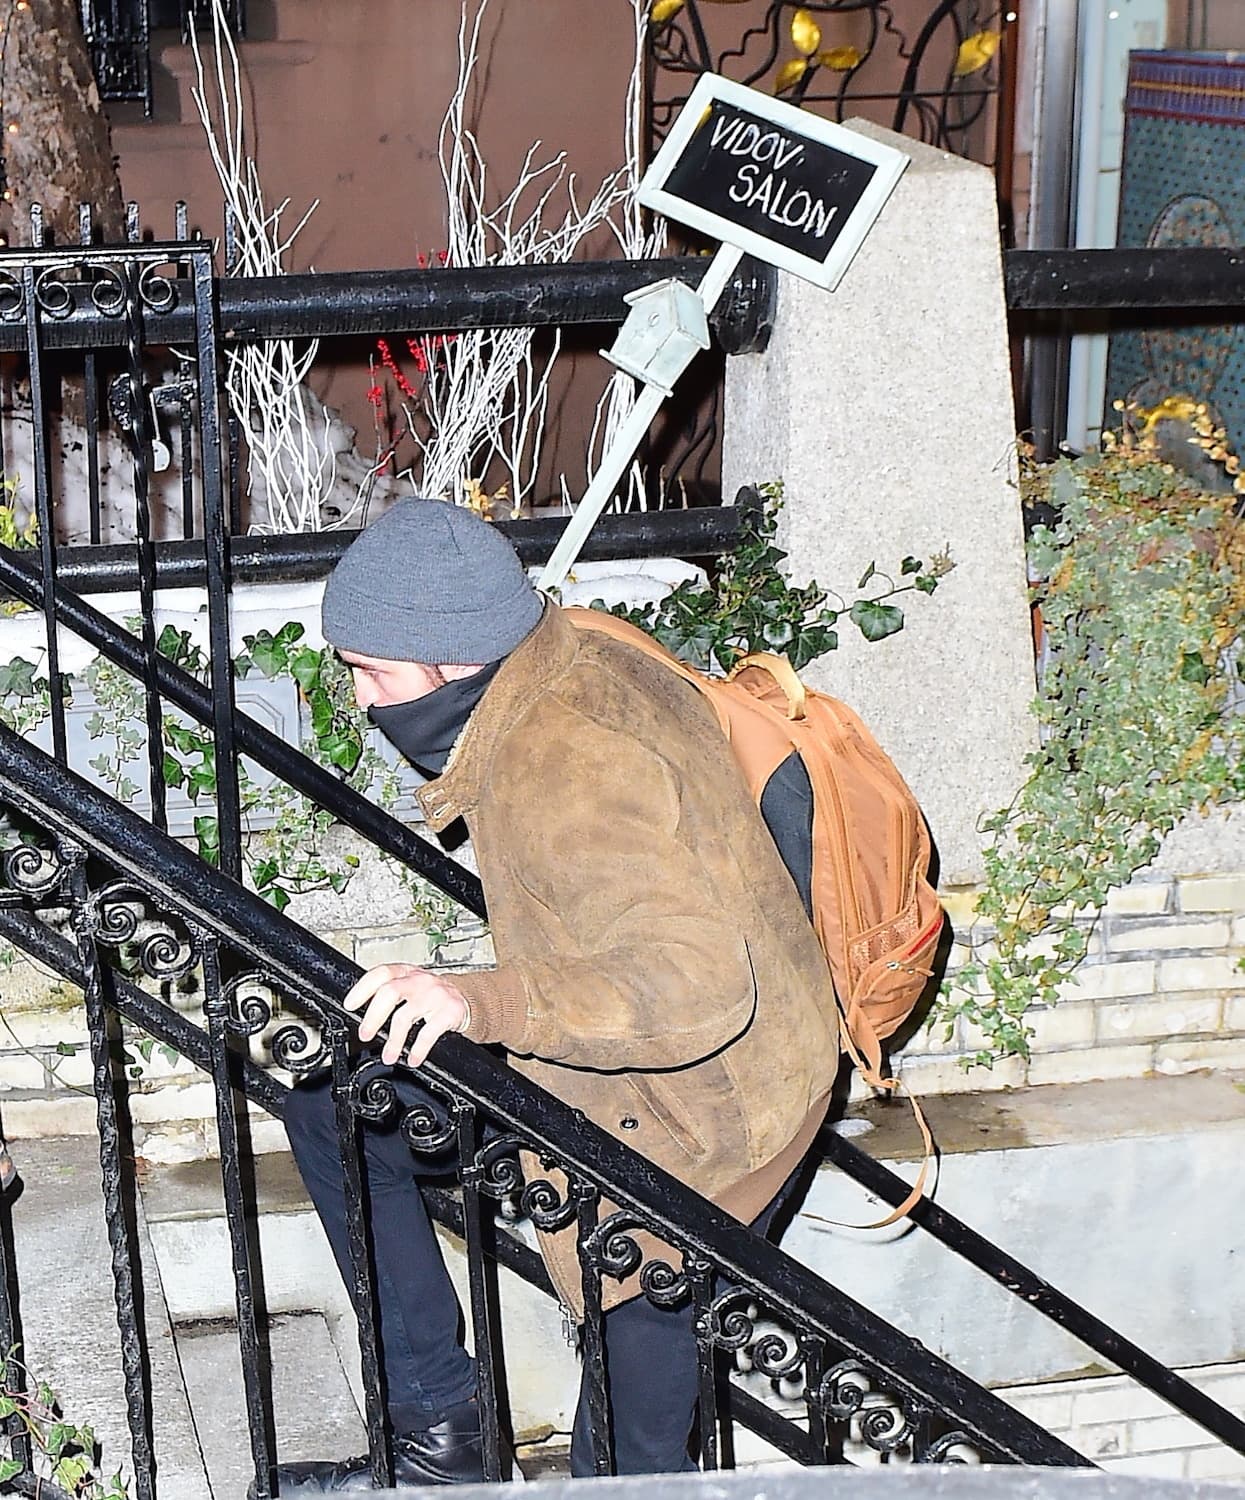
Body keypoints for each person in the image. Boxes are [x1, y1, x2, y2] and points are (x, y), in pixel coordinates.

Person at [276, 498, 841, 1491]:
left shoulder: (567, 758)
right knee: (340, 1104)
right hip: (653, 1079)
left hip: (702, 1136)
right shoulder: (561, 655)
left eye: (371, 670)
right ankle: (439, 1443)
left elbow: (699, 981)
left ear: (450, 659)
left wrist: (480, 1002)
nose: (361, 700)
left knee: (624, 1464)